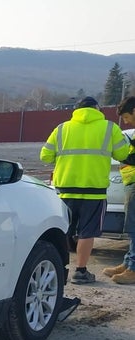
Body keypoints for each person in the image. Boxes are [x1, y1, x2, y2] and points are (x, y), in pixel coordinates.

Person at [40, 96, 131, 284]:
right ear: (97, 110)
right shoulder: (109, 127)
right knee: (87, 232)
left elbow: (45, 156)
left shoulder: (62, 128)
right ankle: (80, 272)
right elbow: (123, 154)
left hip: (65, 188)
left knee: (64, 229)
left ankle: (57, 269)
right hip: (94, 189)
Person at [101, 96, 135, 284]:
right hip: (131, 182)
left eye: (127, 118)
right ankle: (129, 263)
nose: (126, 122)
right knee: (132, 226)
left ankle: (133, 268)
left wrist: (123, 156)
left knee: (134, 226)